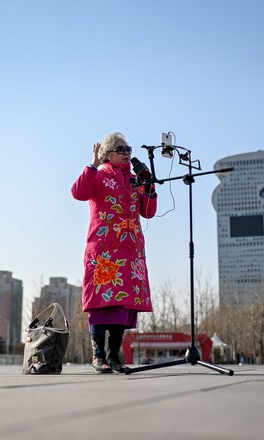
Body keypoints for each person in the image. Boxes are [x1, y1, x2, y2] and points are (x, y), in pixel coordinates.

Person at [71, 132, 158, 373]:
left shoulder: (135, 180)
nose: (127, 153)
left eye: (128, 149)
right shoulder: (98, 176)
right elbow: (78, 192)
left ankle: (114, 357)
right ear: (108, 153)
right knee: (101, 304)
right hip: (104, 251)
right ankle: (98, 356)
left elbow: (148, 212)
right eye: (121, 149)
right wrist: (93, 165)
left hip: (130, 251)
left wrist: (149, 187)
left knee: (122, 306)